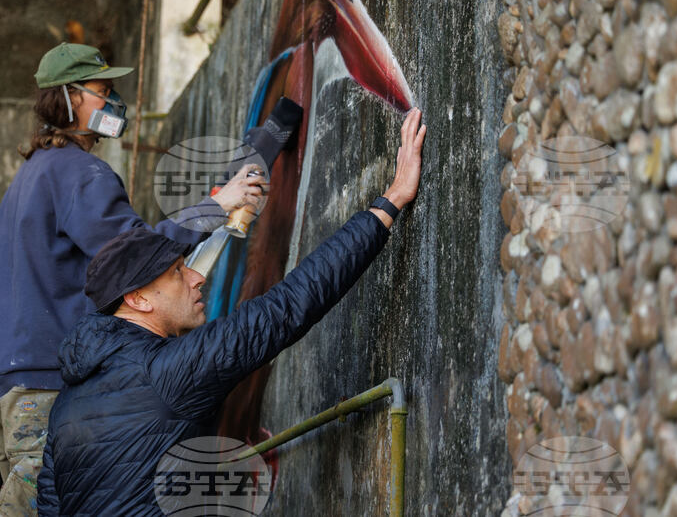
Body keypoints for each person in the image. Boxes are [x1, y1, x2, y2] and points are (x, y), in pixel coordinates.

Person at [36, 107, 427, 516]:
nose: (196, 279)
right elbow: (288, 306)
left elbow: (49, 509)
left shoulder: (65, 406)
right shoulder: (168, 372)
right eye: (176, 274)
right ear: (138, 300)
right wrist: (390, 201)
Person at [0, 42, 266, 516]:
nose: (114, 104)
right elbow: (137, 256)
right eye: (102, 92)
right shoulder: (81, 174)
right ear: (70, 98)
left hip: (18, 383)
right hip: (48, 388)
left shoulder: (35, 172)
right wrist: (218, 205)